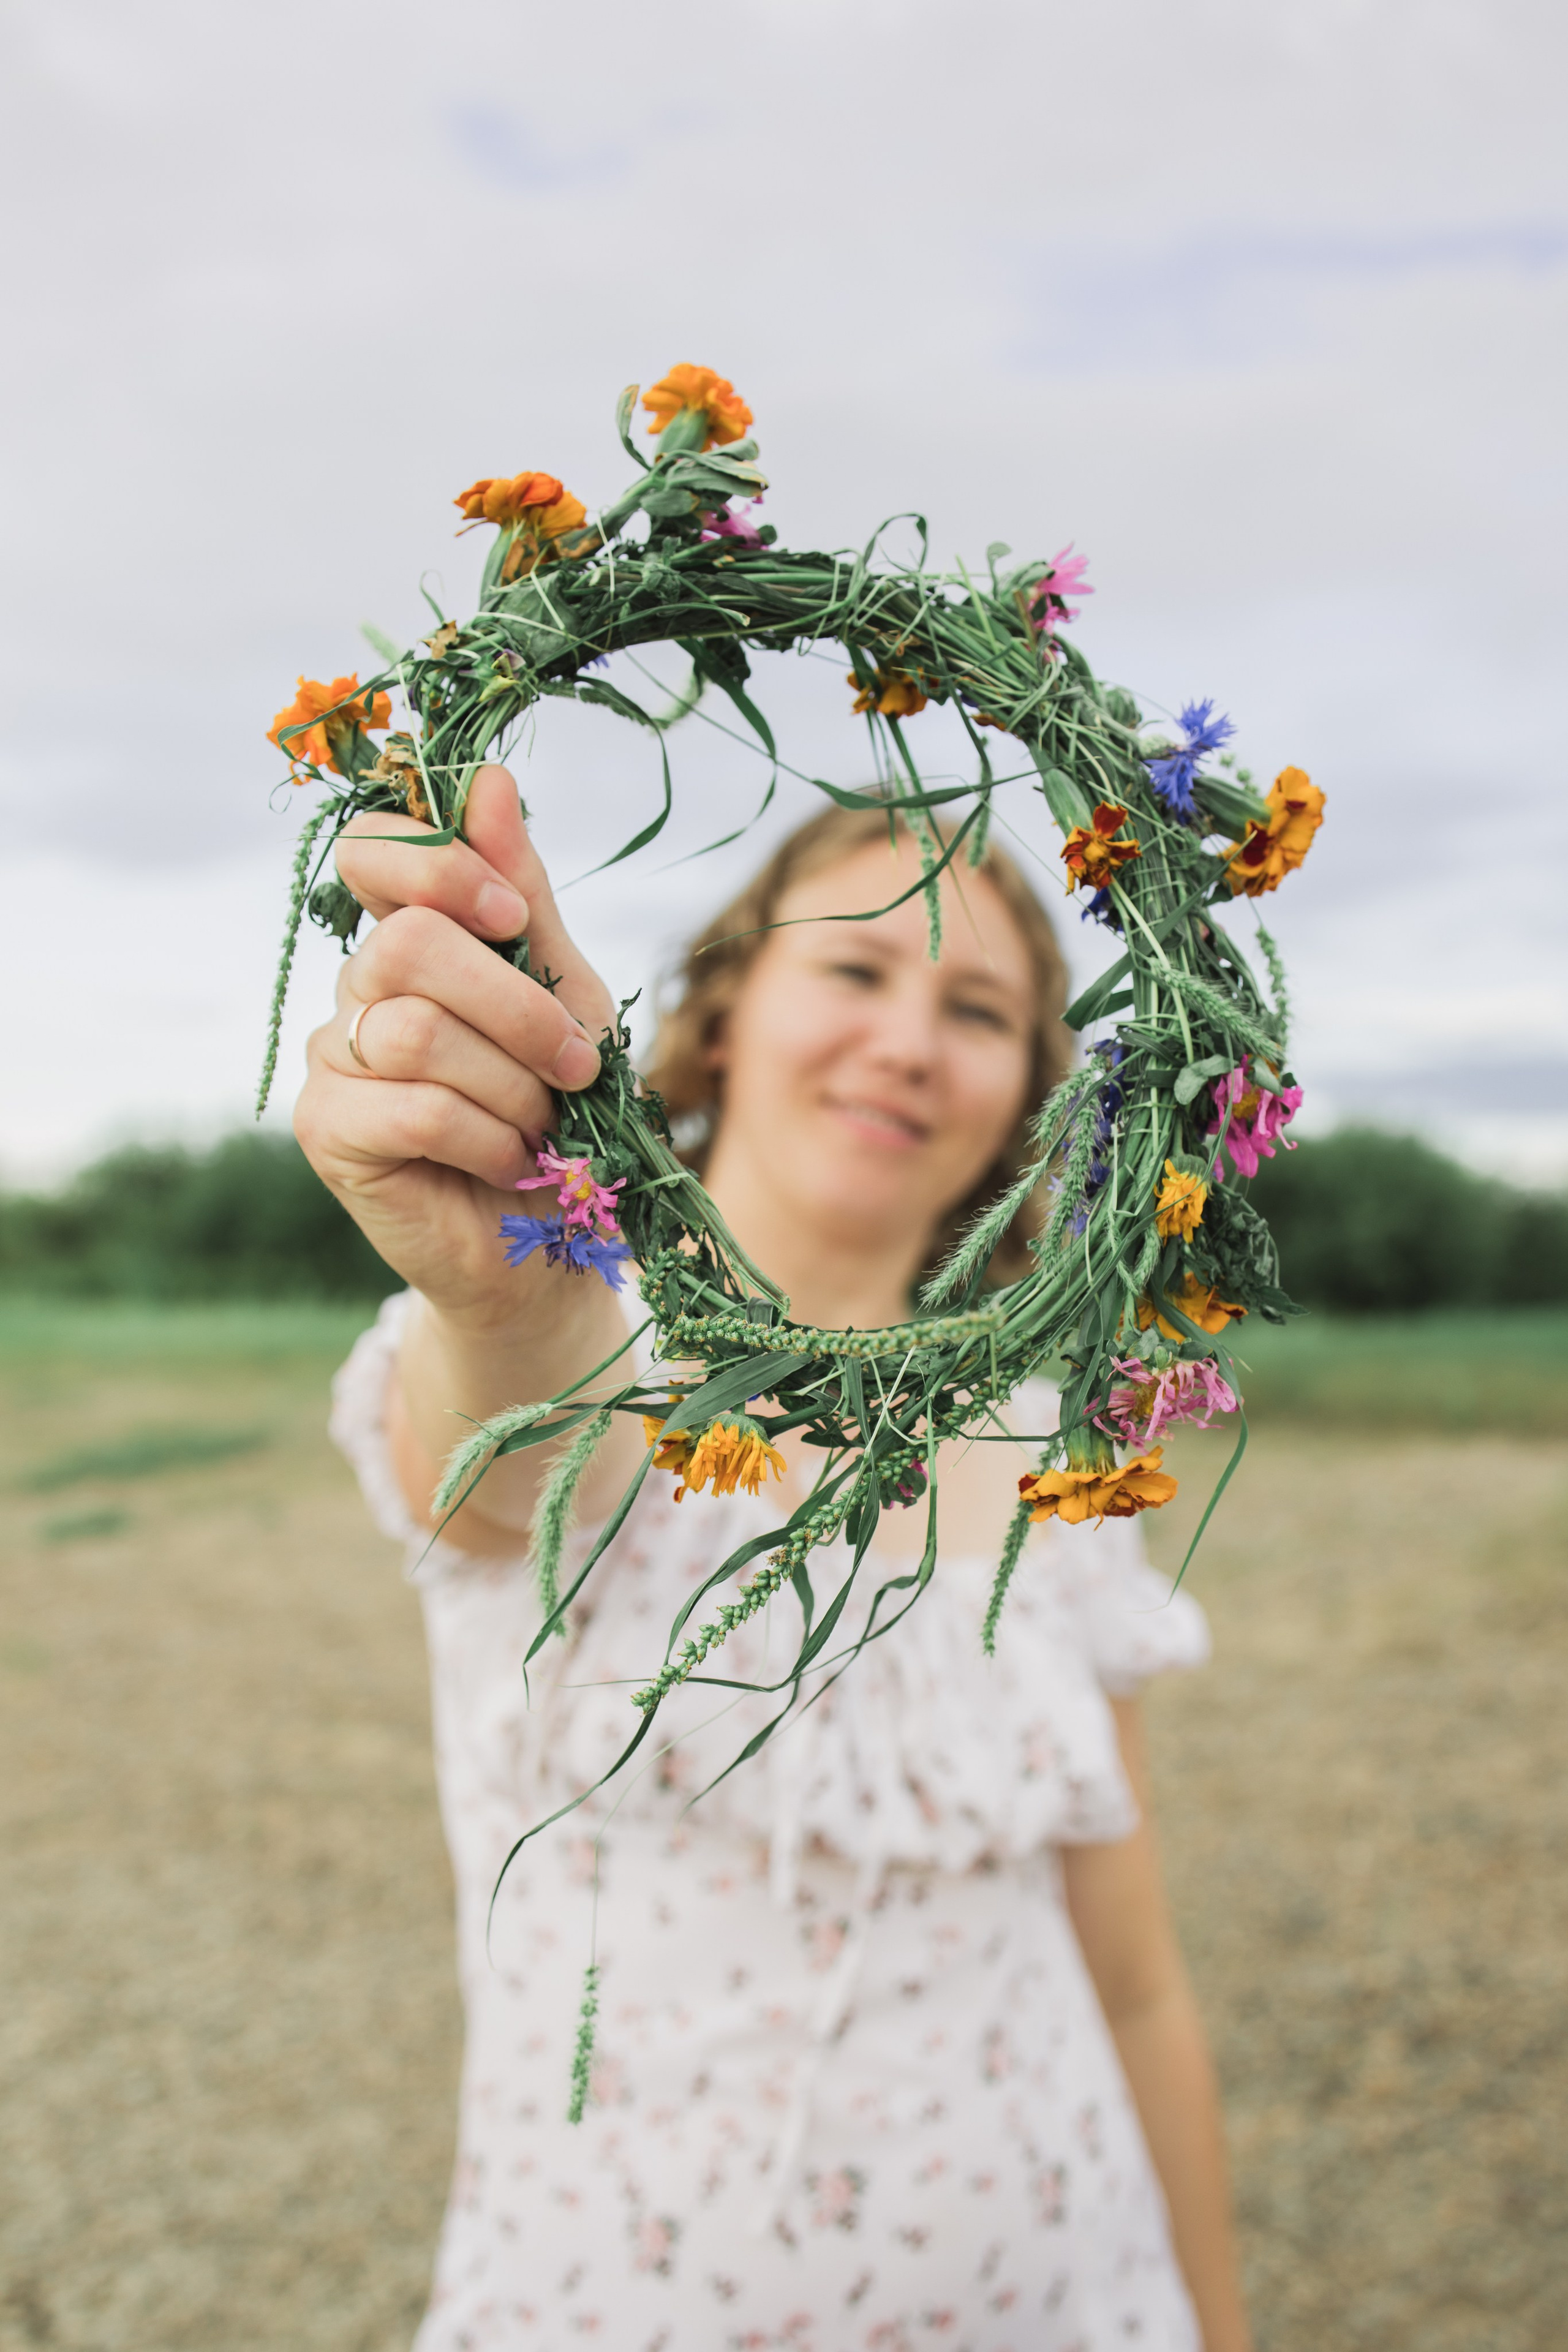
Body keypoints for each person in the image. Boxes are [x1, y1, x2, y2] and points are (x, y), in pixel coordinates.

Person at [298, 763, 1254, 2352]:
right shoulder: (585, 1349)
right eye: (860, 963)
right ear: (731, 1004)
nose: (904, 1036)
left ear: (1027, 1088)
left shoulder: (1059, 1446)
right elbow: (503, 1448)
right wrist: (510, 1298)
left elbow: (1136, 1983)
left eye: (975, 1009)